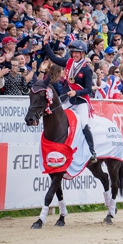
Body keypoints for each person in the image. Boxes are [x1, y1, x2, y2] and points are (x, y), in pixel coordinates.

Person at [42, 32, 97, 163]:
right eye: (73, 52)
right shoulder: (69, 62)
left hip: (80, 101)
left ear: (83, 54)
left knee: (84, 124)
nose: (74, 55)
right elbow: (54, 59)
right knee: (54, 114)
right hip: (67, 98)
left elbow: (88, 89)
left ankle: (92, 152)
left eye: (77, 52)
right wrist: (45, 43)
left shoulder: (87, 69)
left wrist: (76, 93)